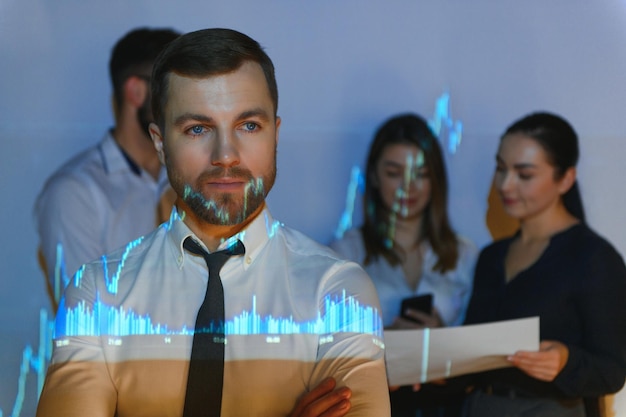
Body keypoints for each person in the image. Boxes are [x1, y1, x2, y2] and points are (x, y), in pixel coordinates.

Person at [36, 28, 390, 417]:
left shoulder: (337, 293)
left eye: (249, 125)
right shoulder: (96, 292)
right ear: (159, 141)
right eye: (198, 129)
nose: (226, 155)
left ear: (276, 133)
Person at [463, 112, 626, 417]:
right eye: (500, 169)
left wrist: (566, 361)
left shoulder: (594, 258)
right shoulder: (491, 257)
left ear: (565, 179)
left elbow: (612, 370)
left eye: (524, 175)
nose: (506, 185)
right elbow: (475, 359)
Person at [330, 113, 477, 416]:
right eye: (394, 172)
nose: (407, 187)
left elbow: (478, 348)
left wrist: (441, 337)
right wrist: (383, 343)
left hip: (449, 406)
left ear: (435, 178)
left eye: (420, 173)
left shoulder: (465, 254)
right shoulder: (345, 253)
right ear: (374, 176)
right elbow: (327, 348)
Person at [34, 27, 180, 310]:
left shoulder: (189, 177)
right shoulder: (74, 192)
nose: (190, 106)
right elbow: (84, 313)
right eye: (177, 91)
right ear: (137, 92)